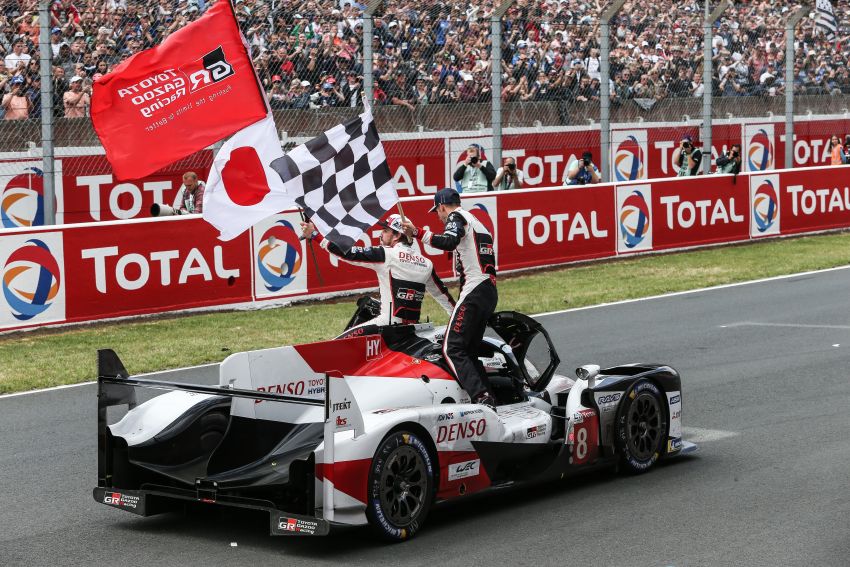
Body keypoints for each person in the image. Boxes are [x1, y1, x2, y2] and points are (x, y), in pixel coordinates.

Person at [401, 188, 498, 409]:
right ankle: (489, 397)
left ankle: (481, 398)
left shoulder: (457, 217)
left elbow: (448, 241)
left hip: (475, 288)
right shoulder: (476, 220)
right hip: (489, 290)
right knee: (468, 350)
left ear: (443, 206)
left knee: (451, 347)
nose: (438, 216)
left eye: (437, 211)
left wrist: (418, 232)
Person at [300, 214, 455, 337]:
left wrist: (314, 235)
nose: (381, 234)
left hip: (387, 326)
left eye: (385, 230)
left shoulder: (386, 254)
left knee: (336, 344)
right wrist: (460, 323)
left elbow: (346, 253)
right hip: (414, 329)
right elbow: (443, 296)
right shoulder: (426, 263)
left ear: (396, 236)